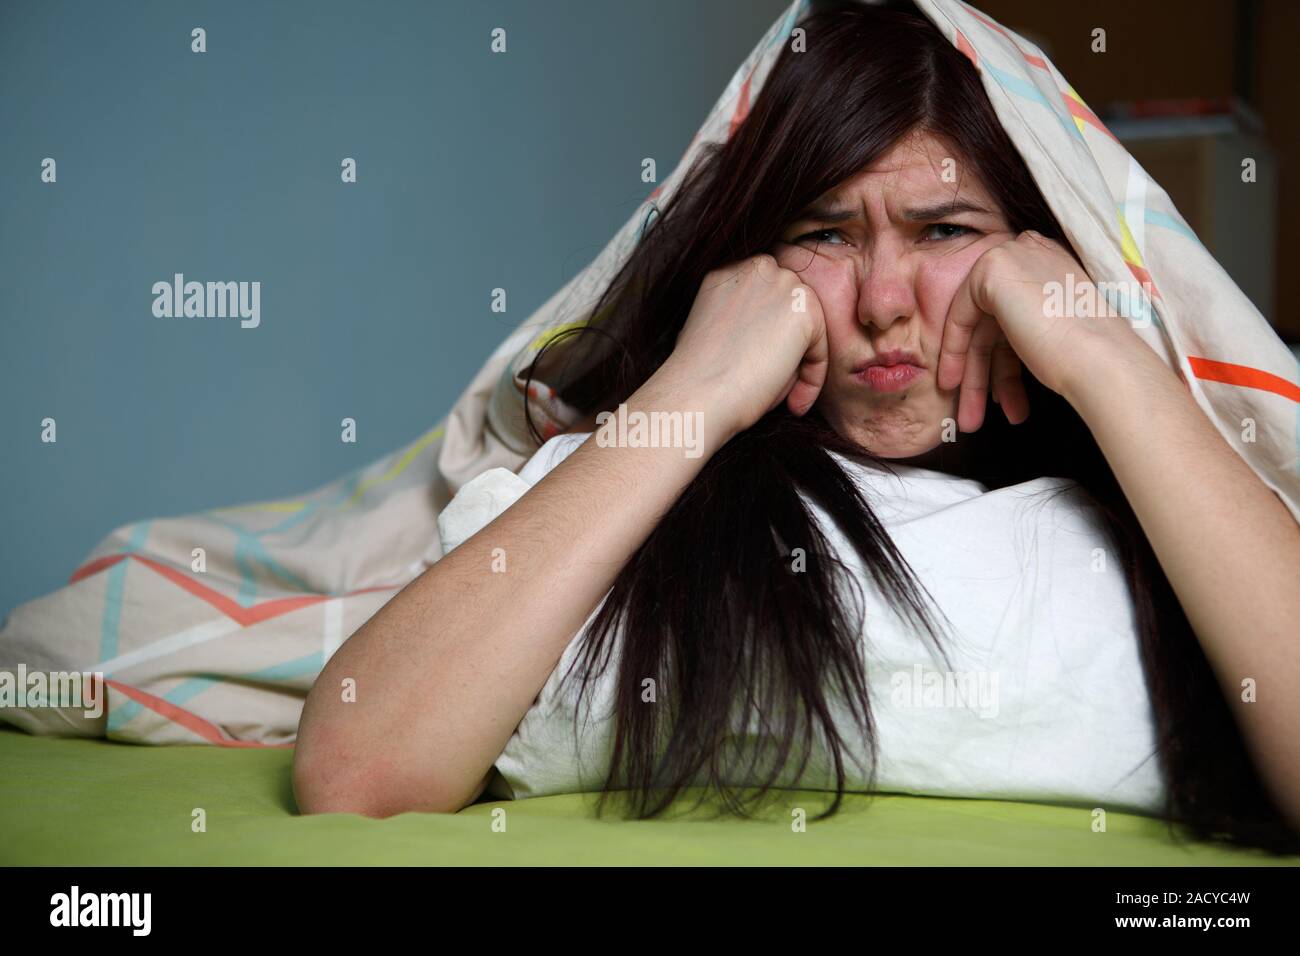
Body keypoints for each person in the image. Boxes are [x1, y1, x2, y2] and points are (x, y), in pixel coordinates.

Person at [293, 1, 1300, 852]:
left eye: (944, 231)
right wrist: (695, 385)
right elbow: (360, 767)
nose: (881, 304)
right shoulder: (608, 492)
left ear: (1046, 249)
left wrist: (1104, 354)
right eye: (823, 233)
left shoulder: (1178, 537)